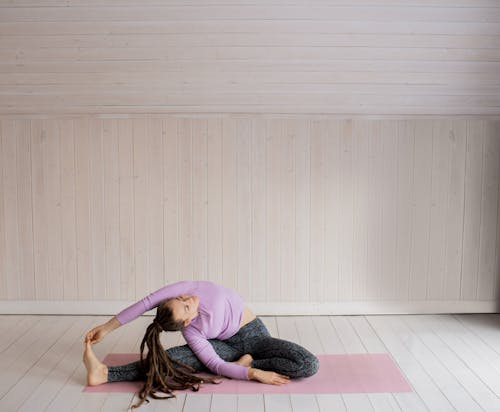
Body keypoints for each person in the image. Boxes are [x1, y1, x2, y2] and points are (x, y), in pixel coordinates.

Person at [83, 280, 319, 409]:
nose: (187, 299)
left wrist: (106, 327)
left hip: (256, 337)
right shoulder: (192, 332)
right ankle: (105, 373)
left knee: (308, 364)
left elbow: (145, 303)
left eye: (180, 299)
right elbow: (215, 364)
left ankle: (247, 359)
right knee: (173, 358)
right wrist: (253, 373)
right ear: (187, 321)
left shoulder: (187, 288)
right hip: (224, 348)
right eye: (185, 306)